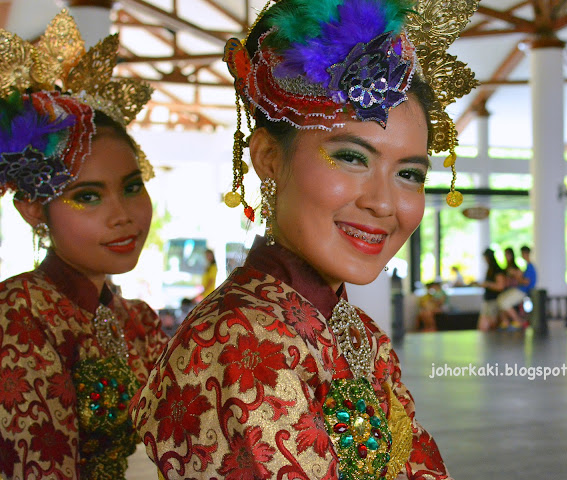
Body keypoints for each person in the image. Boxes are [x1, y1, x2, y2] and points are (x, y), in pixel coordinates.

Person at [129, 0, 478, 478]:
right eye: (353, 157)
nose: (384, 203)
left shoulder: (362, 335)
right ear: (269, 157)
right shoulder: (241, 342)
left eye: (410, 173)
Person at [0, 11, 168, 479]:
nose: (123, 214)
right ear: (34, 210)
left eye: (132, 187)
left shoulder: (138, 321)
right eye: (87, 196)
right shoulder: (18, 316)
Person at [496, 247, 526, 329]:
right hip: (509, 291)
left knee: (505, 303)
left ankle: (518, 321)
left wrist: (515, 274)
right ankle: (505, 321)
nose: (506, 256)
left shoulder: (515, 268)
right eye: (505, 254)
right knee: (500, 300)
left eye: (508, 254)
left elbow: (521, 279)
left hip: (516, 291)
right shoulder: (507, 267)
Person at [477, 248, 506, 331]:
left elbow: (500, 286)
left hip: (493, 301)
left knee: (490, 326)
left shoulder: (496, 269)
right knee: (484, 327)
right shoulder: (490, 269)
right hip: (488, 300)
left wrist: (487, 284)